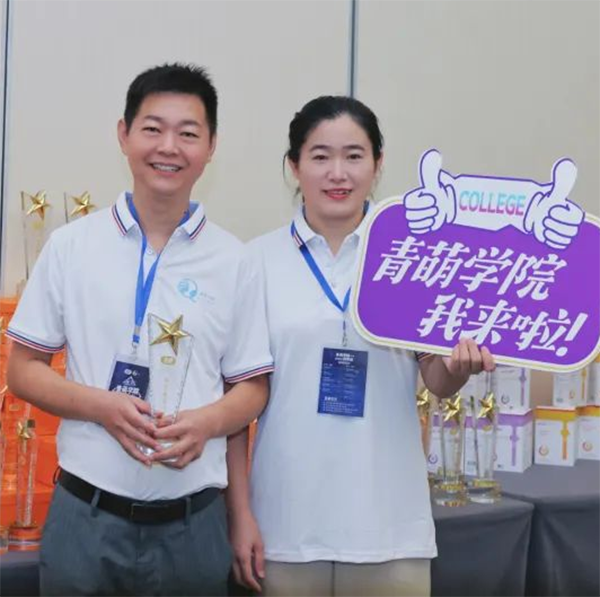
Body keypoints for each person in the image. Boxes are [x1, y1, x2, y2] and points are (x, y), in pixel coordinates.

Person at [7, 63, 273, 597]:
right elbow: (22, 371)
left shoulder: (234, 260)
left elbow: (251, 387)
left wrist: (205, 423)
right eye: (153, 128)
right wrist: (102, 407)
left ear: (211, 146)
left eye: (188, 133)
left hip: (194, 526)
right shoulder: (72, 247)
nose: (168, 147)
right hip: (84, 518)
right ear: (124, 134)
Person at [226, 96, 495, 597]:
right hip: (284, 527)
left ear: (377, 164)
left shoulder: (412, 255)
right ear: (293, 166)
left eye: (354, 156)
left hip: (389, 527)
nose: (338, 173)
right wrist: (240, 515)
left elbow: (436, 379)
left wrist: (460, 367)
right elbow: (237, 406)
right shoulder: (255, 261)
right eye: (320, 156)